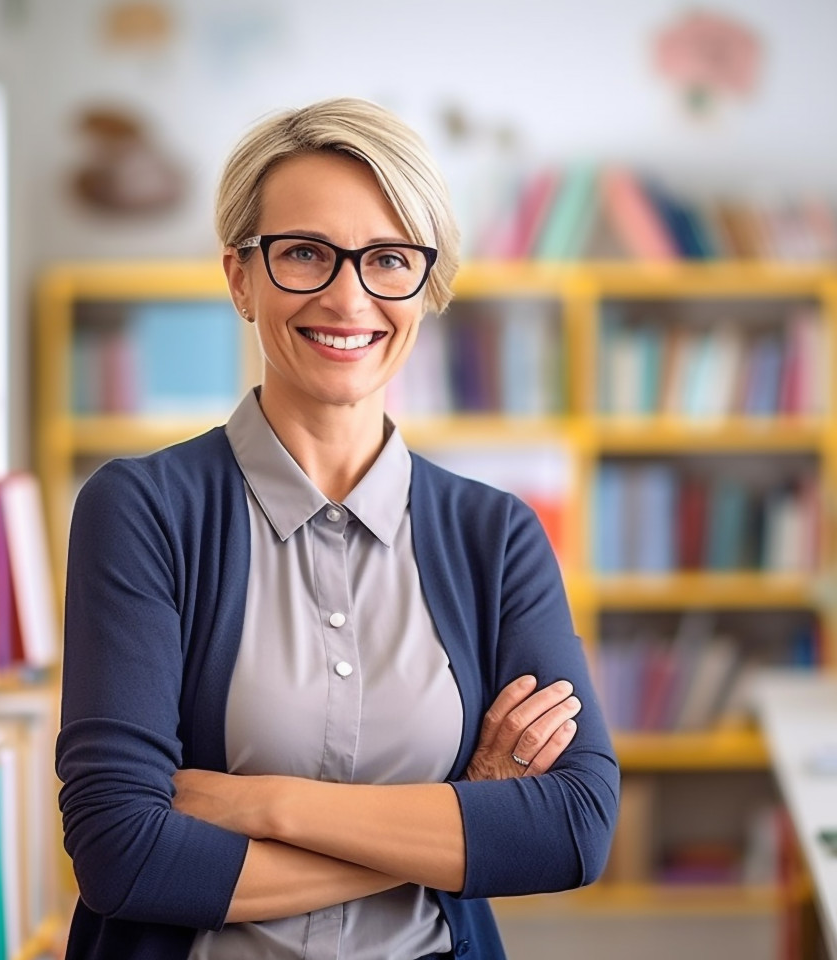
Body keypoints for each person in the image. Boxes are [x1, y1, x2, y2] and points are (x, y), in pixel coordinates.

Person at [56, 96, 619, 960]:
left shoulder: (495, 535)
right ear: (241, 276)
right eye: (306, 253)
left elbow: (572, 830)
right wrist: (462, 814)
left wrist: (263, 806)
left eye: (389, 259)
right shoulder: (143, 511)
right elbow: (122, 856)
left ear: (426, 289)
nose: (348, 296)